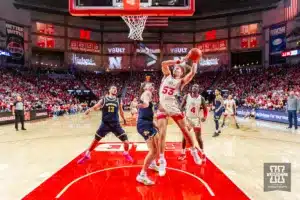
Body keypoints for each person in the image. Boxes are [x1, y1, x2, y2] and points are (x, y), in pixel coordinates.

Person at [157, 53, 202, 177]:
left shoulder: (181, 82)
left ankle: (193, 151)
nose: (178, 69)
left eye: (180, 69)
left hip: (174, 107)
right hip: (162, 107)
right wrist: (178, 61)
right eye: (177, 68)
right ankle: (161, 161)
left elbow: (192, 74)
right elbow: (163, 64)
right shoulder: (167, 75)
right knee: (162, 134)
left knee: (186, 132)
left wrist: (195, 61)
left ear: (182, 73)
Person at [77, 85, 133, 164]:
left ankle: (126, 153)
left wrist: (124, 119)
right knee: (95, 141)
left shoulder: (119, 100)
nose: (115, 90)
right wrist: (89, 110)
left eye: (116, 89)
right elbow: (96, 106)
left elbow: (121, 111)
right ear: (109, 90)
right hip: (105, 124)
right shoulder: (104, 99)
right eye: (113, 88)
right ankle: (87, 155)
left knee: (126, 142)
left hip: (115, 124)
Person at [136, 82, 159, 185]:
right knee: (153, 150)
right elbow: (145, 104)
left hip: (148, 123)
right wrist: (142, 105)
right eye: (149, 85)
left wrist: (156, 125)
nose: (151, 86)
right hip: (144, 125)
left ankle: (152, 164)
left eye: (152, 85)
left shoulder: (148, 96)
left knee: (157, 147)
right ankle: (142, 175)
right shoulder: (147, 93)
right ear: (144, 87)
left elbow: (148, 114)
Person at [178, 84, 208, 161]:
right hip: (187, 119)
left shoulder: (201, 98)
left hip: (196, 119)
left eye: (196, 86)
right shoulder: (186, 96)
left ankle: (203, 153)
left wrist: (204, 117)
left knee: (198, 137)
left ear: (199, 89)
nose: (194, 87)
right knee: (185, 137)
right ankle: (183, 153)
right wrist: (181, 114)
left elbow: (205, 109)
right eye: (193, 86)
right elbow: (181, 107)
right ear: (191, 88)